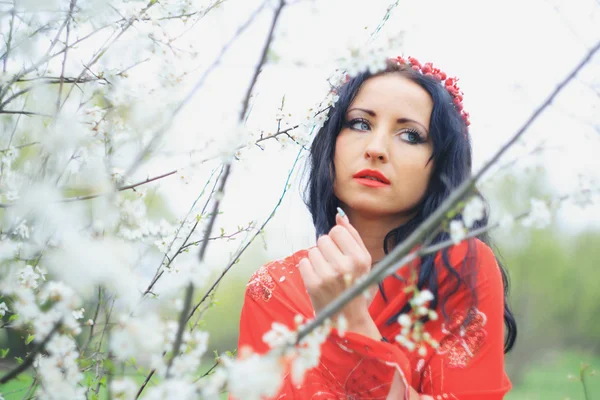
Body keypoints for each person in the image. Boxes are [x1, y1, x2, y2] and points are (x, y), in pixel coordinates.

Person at [234, 56, 517, 399]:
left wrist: (351, 320)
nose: (376, 149)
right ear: (331, 143)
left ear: (441, 166)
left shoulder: (459, 268)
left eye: (410, 135)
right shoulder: (273, 289)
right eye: (359, 124)